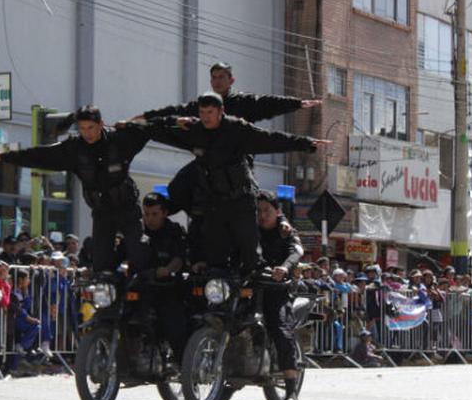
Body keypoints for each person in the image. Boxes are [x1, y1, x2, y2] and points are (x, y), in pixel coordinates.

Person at [138, 92, 329, 275]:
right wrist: (136, 124)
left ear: (221, 112)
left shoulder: (236, 129)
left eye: (210, 112)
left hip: (241, 200)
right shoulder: (194, 131)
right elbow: (160, 131)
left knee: (250, 254)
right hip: (215, 203)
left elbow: (269, 140)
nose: (205, 117)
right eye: (202, 113)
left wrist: (305, 142)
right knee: (215, 256)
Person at [133, 61, 321, 215]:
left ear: (231, 80)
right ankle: (187, 219)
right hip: (209, 159)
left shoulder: (243, 103)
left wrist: (297, 104)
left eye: (221, 77)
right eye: (213, 77)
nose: (217, 81)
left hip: (237, 161)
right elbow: (175, 111)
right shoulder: (203, 105)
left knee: (242, 195)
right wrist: (142, 118)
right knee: (178, 185)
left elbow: (268, 103)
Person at [0, 106, 153, 273]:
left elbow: (150, 130)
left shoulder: (119, 141)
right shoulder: (74, 149)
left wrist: (143, 121)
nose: (87, 133)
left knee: (139, 254)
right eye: (82, 128)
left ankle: (143, 292)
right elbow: (41, 155)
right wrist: (6, 156)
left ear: (101, 124)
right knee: (101, 264)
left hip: (127, 208)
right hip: (102, 212)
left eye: (91, 127)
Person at [256, 190, 305, 400]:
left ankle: (291, 390)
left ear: (277, 212)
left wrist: (284, 268)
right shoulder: (250, 230)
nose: (262, 215)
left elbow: (297, 251)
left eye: (267, 210)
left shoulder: (286, 232)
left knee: (281, 331)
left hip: (278, 289)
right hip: (252, 287)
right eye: (258, 211)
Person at [133, 192, 188, 364]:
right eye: (146, 214)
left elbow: (179, 258)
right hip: (142, 285)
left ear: (164, 213)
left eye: (155, 214)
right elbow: (123, 253)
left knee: (173, 323)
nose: (150, 219)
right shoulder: (138, 231)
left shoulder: (174, 231)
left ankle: (181, 364)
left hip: (168, 287)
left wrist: (168, 269)